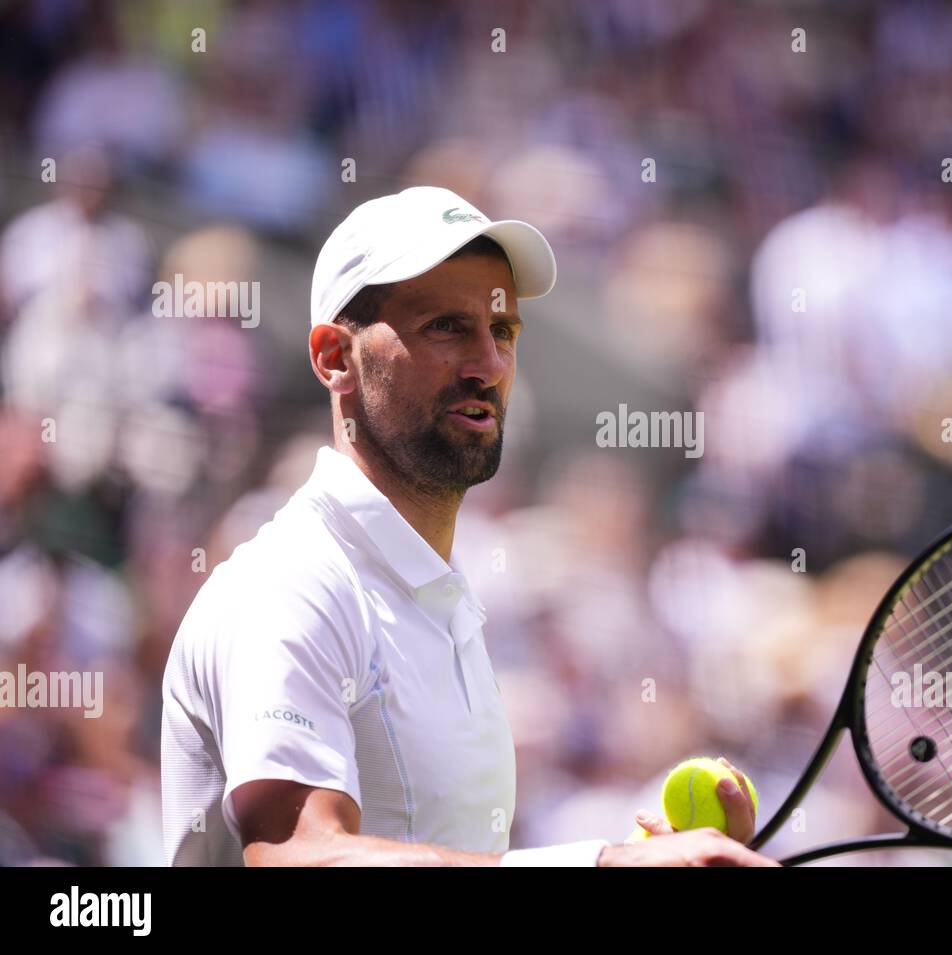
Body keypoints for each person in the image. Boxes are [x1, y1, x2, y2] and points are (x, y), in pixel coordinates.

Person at [160, 185, 777, 867]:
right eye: (446, 328)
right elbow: (299, 857)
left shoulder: (443, 599)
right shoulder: (288, 585)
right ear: (337, 356)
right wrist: (601, 867)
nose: (488, 364)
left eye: (502, 331)